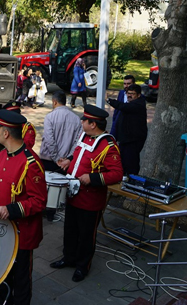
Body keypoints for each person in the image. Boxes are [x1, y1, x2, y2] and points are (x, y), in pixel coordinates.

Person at [51, 105, 123, 282]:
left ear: (93, 124)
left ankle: (83, 267)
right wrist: (69, 162)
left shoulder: (108, 145)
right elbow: (80, 156)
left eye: (85, 120)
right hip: (73, 195)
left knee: (86, 235)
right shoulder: (85, 136)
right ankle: (68, 258)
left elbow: (117, 174)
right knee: (70, 230)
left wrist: (92, 178)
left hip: (90, 200)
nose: (82, 122)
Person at [0, 109, 47, 305]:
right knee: (2, 275)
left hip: (23, 233)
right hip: (3, 230)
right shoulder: (3, 154)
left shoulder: (31, 163)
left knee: (21, 280)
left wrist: (10, 210)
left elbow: (39, 201)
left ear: (5, 133)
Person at [107, 84, 148, 176]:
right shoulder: (132, 103)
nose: (129, 95)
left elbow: (123, 107)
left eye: (132, 94)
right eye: (128, 93)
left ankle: (131, 180)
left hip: (133, 141)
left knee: (131, 164)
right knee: (123, 161)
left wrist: (109, 100)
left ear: (138, 95)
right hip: (125, 139)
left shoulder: (138, 104)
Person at [39, 92, 82, 173]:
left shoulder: (49, 117)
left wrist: (56, 158)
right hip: (66, 162)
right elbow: (77, 142)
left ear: (54, 102)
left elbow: (49, 140)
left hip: (48, 160)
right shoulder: (76, 119)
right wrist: (69, 157)